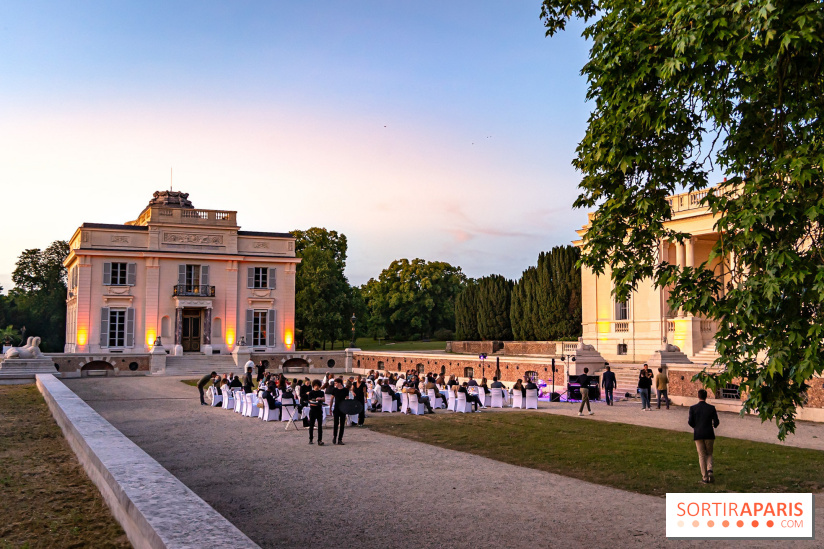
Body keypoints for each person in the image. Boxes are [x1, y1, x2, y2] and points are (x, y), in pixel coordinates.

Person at [688, 389, 720, 484]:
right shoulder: (711, 408)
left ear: (698, 396)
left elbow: (690, 422)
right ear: (706, 397)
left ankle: (705, 477)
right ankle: (709, 469)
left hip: (698, 434)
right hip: (709, 433)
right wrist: (714, 425)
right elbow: (716, 421)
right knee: (709, 453)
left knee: (701, 455)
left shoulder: (693, 408)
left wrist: (696, 427)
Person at [328, 378, 349, 445]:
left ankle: (340, 439)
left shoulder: (345, 390)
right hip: (336, 408)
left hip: (343, 408)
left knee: (342, 424)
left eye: (336, 383)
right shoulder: (334, 390)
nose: (335, 384)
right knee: (335, 424)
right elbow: (331, 399)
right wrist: (330, 407)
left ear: (340, 383)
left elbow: (347, 399)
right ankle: (334, 437)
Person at [307, 380, 325, 446]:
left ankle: (320, 440)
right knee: (311, 425)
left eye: (318, 386)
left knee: (320, 426)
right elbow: (309, 400)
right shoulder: (311, 393)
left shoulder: (321, 392)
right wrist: (314, 400)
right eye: (315, 386)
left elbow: (324, 399)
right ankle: (310, 439)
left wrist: (320, 399)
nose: (316, 387)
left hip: (319, 410)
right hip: (313, 410)